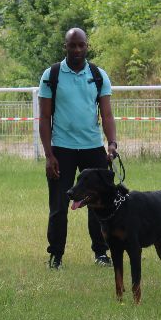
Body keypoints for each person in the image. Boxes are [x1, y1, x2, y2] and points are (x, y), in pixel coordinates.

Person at [38, 27, 119, 270]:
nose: (76, 49)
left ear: (87, 46)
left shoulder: (98, 75)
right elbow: (44, 118)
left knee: (100, 204)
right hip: (61, 150)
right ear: (65, 46)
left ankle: (101, 253)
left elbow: (107, 114)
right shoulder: (51, 75)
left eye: (81, 45)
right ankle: (56, 256)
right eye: (72, 45)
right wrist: (49, 155)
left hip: (93, 149)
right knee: (59, 206)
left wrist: (112, 143)